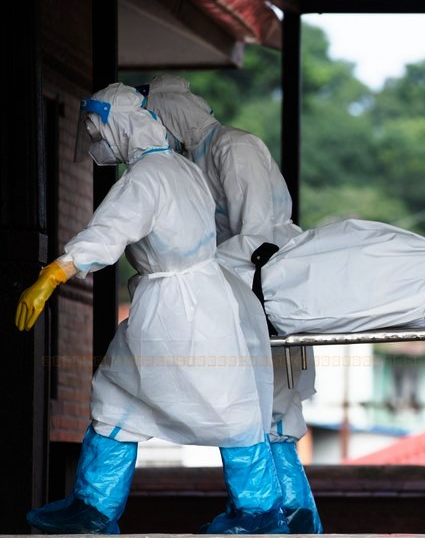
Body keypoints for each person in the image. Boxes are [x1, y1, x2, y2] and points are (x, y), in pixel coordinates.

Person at [15, 83, 288, 534]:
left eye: (97, 128)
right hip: (198, 297)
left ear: (118, 126)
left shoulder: (145, 177)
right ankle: (93, 507)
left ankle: (258, 513)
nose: (95, 139)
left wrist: (54, 273)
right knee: (117, 392)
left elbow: (109, 231)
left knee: (223, 406)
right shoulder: (179, 166)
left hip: (177, 308)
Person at [143, 74, 322, 534]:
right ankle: (286, 519)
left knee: (270, 404)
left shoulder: (233, 148)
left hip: (264, 285)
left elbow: (257, 234)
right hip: (236, 286)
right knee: (257, 406)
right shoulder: (190, 161)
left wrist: (194, 269)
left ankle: (282, 519)